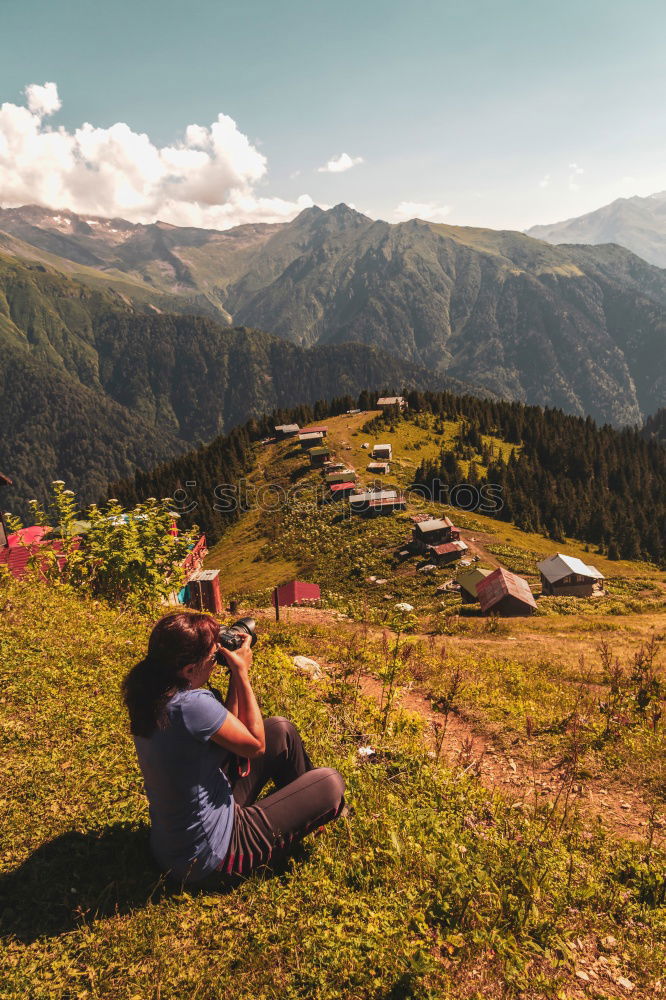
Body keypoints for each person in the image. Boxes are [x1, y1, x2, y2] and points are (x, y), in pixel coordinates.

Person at [122, 611, 345, 886]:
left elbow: (229, 724)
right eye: (212, 657)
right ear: (189, 670)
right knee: (330, 783)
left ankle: (306, 814)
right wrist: (241, 673)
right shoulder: (191, 705)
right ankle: (307, 810)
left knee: (279, 729)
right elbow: (256, 745)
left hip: (179, 843)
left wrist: (231, 675)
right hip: (211, 857)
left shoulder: (154, 691)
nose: (217, 660)